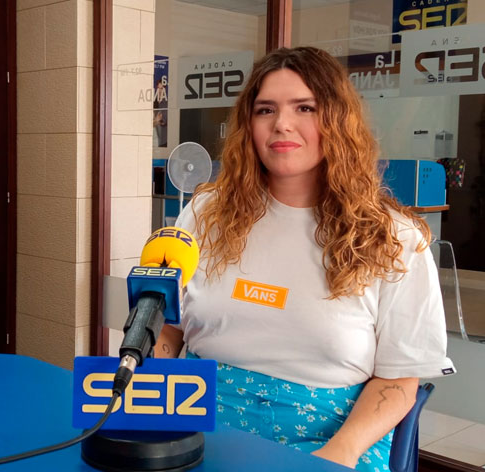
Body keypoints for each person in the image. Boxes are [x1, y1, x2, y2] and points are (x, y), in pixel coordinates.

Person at [154, 47, 455, 472]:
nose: (282, 123)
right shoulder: (206, 214)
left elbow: (399, 379)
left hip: (332, 442)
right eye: (265, 110)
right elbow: (169, 326)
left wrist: (339, 453)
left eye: (305, 108)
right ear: (248, 125)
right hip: (195, 426)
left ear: (337, 120)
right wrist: (146, 395)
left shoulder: (394, 239)